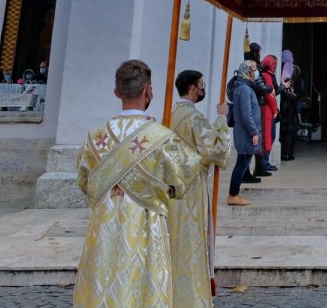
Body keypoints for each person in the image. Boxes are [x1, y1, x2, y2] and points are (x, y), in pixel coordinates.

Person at [73, 59, 201, 308]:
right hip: (146, 225)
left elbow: (84, 182)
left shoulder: (95, 137)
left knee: (104, 283)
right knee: (145, 285)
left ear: (117, 92)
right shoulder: (161, 138)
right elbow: (188, 169)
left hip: (104, 228)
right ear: (148, 91)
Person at [167, 70, 235, 308]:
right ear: (193, 89)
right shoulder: (194, 119)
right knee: (191, 240)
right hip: (192, 190)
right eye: (202, 85)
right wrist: (221, 119)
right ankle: (191, 293)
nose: (203, 89)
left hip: (171, 189)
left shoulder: (171, 113)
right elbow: (215, 151)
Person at [227, 60, 263, 206]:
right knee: (242, 164)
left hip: (245, 133)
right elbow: (246, 114)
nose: (256, 73)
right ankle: (233, 194)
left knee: (242, 163)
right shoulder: (244, 89)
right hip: (246, 134)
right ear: (247, 72)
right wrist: (254, 132)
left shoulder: (245, 88)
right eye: (254, 70)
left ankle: (235, 193)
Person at [257, 55, 280, 175]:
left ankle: (265, 163)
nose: (275, 66)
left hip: (268, 110)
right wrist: (275, 110)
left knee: (269, 136)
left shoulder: (266, 75)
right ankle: (264, 163)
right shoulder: (267, 76)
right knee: (267, 137)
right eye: (274, 64)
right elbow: (270, 96)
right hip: (267, 111)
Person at [279, 50, 302, 161]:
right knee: (289, 131)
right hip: (291, 105)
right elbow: (297, 88)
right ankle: (288, 153)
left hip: (283, 103)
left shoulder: (280, 67)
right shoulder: (295, 69)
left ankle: (283, 153)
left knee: (284, 130)